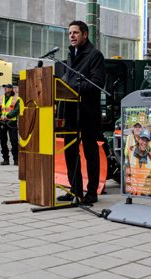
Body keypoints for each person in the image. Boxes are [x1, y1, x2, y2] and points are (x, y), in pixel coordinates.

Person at [58, 20, 106, 205]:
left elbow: (97, 83)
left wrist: (71, 86)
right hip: (71, 112)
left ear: (85, 34)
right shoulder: (71, 56)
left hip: (87, 112)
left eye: (75, 32)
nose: (71, 36)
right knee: (70, 152)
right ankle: (75, 191)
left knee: (90, 152)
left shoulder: (95, 55)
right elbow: (68, 80)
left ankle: (91, 193)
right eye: (70, 33)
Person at [0, 84, 19, 166]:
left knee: (14, 142)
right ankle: (6, 160)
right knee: (3, 142)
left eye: (7, 87)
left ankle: (16, 160)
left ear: (11, 89)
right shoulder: (0, 98)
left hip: (11, 123)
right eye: (5, 87)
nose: (5, 89)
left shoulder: (17, 98)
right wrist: (0, 115)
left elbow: (17, 110)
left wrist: (8, 116)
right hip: (2, 122)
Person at [126, 129, 151, 196]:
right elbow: (126, 174)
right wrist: (129, 192)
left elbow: (150, 178)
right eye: (143, 139)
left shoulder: (150, 158)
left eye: (146, 141)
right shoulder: (130, 153)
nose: (144, 143)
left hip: (144, 196)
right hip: (131, 194)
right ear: (138, 139)